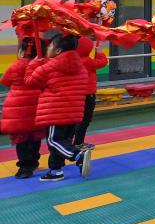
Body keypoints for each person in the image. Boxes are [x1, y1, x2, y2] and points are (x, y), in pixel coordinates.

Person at [25, 34, 90, 182]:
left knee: (54, 141)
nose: (48, 48)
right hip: (74, 111)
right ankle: (56, 171)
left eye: (51, 45)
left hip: (55, 111)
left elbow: (30, 82)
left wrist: (33, 65)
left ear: (58, 50)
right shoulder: (80, 67)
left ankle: (78, 155)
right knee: (62, 141)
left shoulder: (49, 67)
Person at [1, 38, 46, 179]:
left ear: (22, 51)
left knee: (21, 139)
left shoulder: (15, 66)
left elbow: (5, 81)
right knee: (35, 135)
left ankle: (25, 166)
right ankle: (34, 159)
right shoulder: (42, 65)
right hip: (38, 104)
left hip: (18, 108)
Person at [72, 37, 108, 149]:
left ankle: (72, 141)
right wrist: (99, 52)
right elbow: (103, 62)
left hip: (76, 94)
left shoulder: (74, 60)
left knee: (76, 119)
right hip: (88, 95)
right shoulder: (87, 61)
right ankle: (78, 142)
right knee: (85, 120)